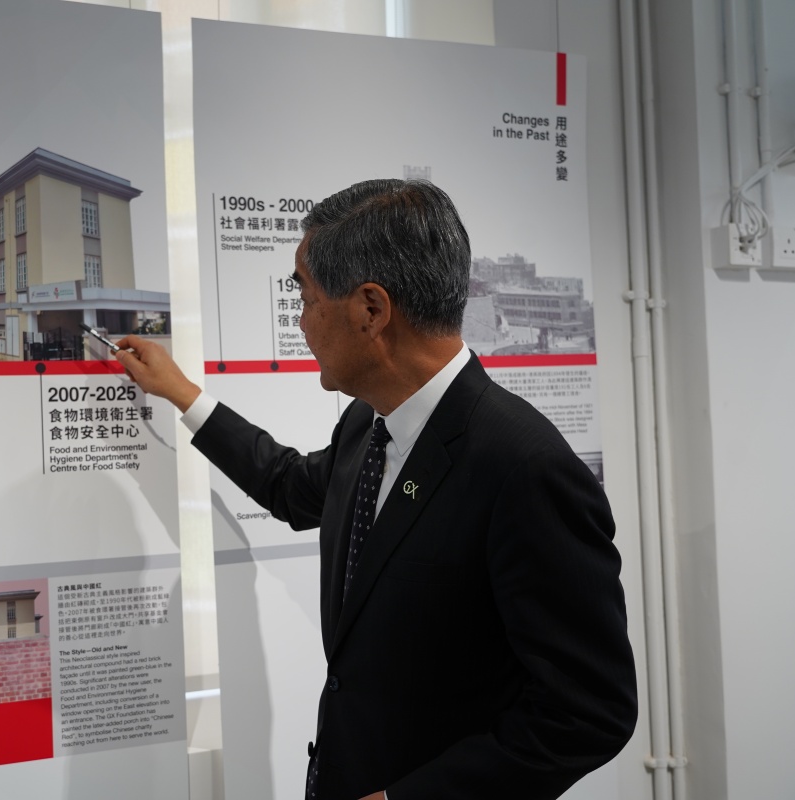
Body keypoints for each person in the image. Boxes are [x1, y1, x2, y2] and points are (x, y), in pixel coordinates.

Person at [114, 179, 637, 800]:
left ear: (370, 309)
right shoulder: (368, 423)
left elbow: (589, 711)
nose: (301, 320)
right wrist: (181, 393)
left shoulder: (523, 467)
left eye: (306, 296)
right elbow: (290, 487)